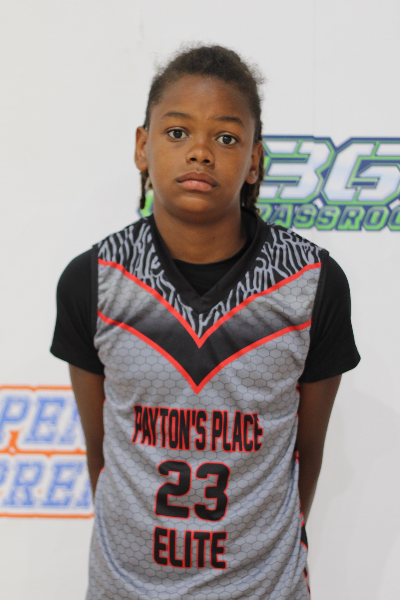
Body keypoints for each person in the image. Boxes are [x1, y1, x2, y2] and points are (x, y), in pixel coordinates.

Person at [51, 45, 360, 600]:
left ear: (255, 160)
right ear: (142, 146)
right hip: (124, 587)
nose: (200, 152)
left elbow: (304, 454)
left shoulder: (311, 285)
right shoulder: (93, 281)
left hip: (263, 588)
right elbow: (102, 452)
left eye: (226, 138)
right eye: (177, 133)